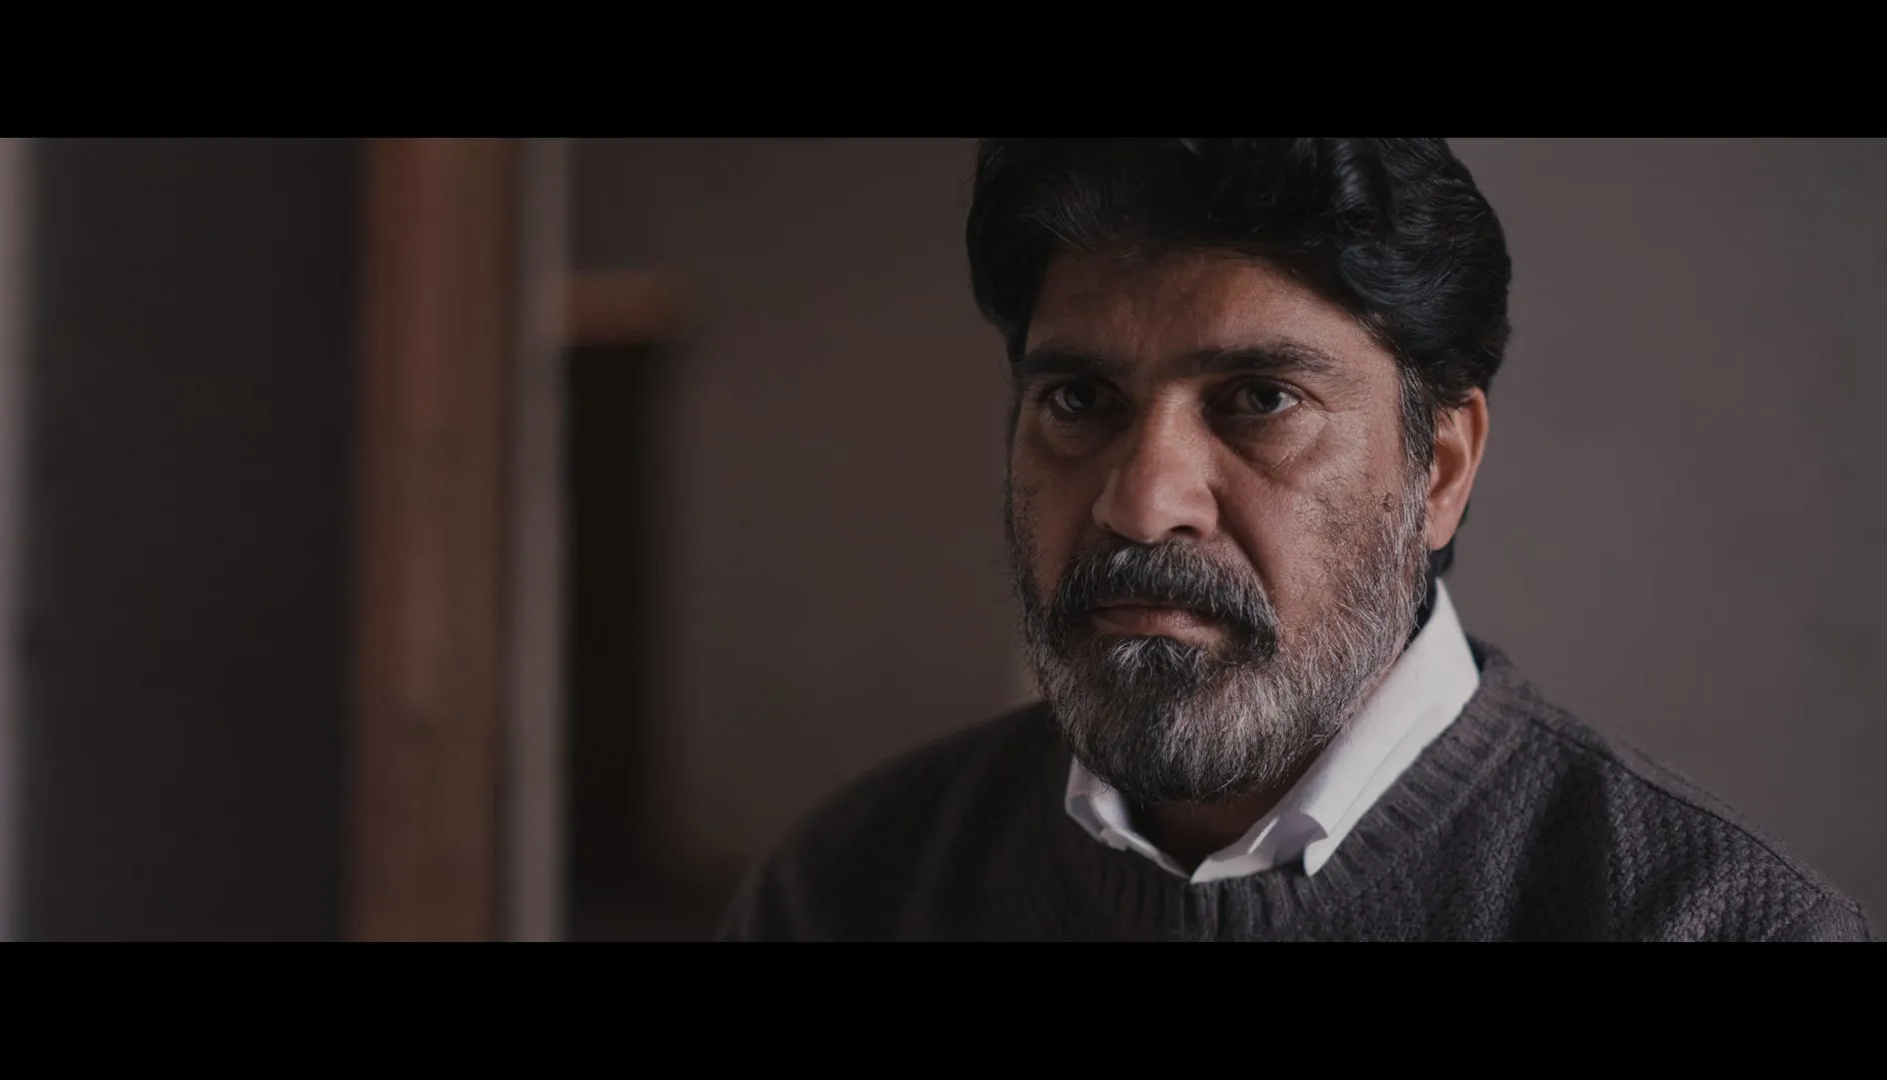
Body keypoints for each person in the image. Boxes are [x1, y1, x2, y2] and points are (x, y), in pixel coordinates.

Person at [715, 138, 1876, 941]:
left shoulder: (1712, 922)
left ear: (1441, 469)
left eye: (1261, 399)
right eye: (1078, 401)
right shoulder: (845, 894)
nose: (1142, 504)